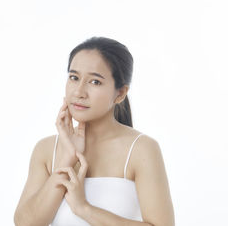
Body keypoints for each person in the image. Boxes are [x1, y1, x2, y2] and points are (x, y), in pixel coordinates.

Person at [14, 37, 175, 226]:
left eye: (95, 82)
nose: (79, 92)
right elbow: (25, 223)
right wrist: (68, 158)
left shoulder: (141, 149)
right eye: (74, 77)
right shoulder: (46, 149)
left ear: (120, 93)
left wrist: (84, 209)